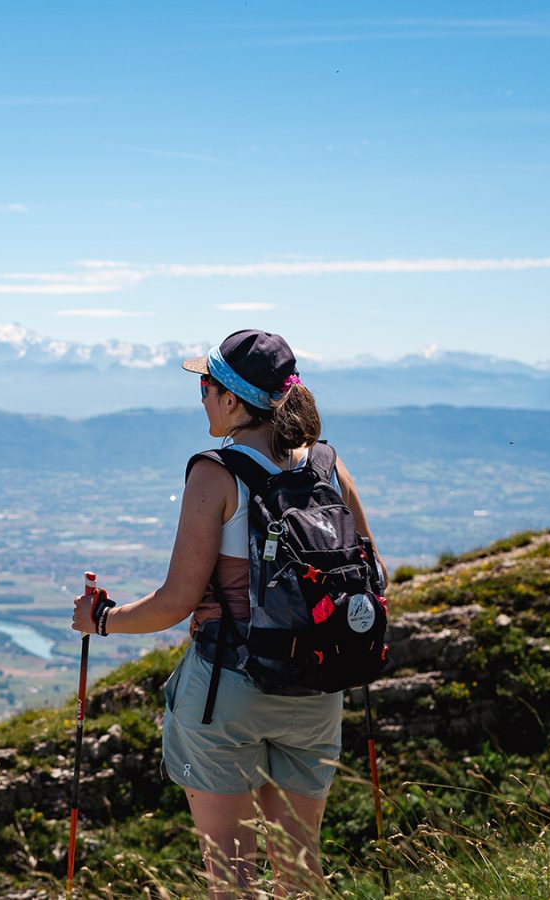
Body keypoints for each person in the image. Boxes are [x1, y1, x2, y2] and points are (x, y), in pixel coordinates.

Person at [71, 329, 383, 898]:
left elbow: (174, 603)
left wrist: (102, 619)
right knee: (300, 870)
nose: (202, 396)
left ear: (234, 399)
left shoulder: (216, 473)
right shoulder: (328, 467)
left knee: (231, 878)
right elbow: (374, 576)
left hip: (229, 687)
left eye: (207, 385)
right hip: (318, 688)